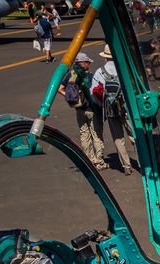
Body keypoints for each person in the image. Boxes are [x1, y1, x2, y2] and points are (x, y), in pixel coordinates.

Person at [58, 52, 107, 170]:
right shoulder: (90, 76)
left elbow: (60, 89)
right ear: (83, 63)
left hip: (79, 109)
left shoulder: (71, 75)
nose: (89, 64)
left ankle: (89, 160)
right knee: (96, 135)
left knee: (84, 134)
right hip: (91, 109)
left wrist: (73, 99)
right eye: (88, 62)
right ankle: (99, 161)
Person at [91, 44, 133, 175]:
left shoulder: (99, 71)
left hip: (110, 110)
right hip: (126, 109)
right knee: (134, 134)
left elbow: (93, 93)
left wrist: (103, 104)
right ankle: (144, 163)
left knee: (118, 138)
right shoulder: (124, 69)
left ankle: (126, 166)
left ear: (105, 58)